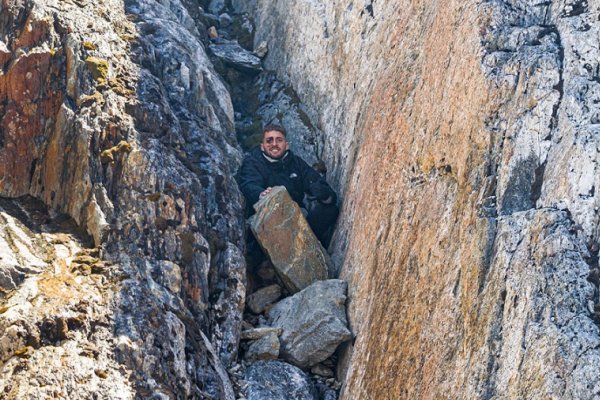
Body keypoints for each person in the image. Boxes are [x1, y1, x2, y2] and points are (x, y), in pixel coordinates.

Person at [237, 125, 339, 247]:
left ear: (286, 145)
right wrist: (261, 194)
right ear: (262, 146)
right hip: (267, 222)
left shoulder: (296, 162)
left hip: (297, 218)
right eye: (269, 140)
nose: (274, 144)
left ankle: (309, 246)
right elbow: (248, 184)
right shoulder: (253, 163)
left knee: (330, 211)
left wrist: (324, 194)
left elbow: (318, 183)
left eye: (279, 140)